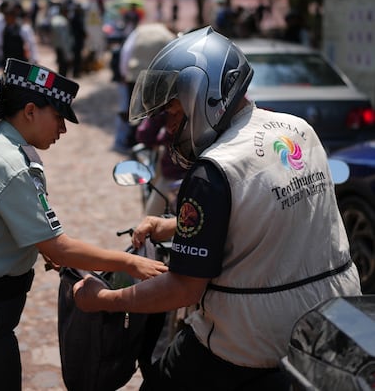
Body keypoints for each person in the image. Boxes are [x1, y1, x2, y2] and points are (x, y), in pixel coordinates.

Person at [74, 26, 361, 390]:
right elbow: (262, 212)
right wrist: (173, 226)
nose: (169, 124)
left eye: (173, 110)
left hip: (252, 340)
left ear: (204, 93)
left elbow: (184, 289)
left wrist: (105, 300)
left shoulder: (213, 170)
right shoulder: (297, 129)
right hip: (330, 318)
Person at [0, 58, 166, 391]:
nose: (63, 130)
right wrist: (130, 261)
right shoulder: (12, 166)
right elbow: (59, 247)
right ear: (30, 111)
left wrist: (38, 246)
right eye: (58, 117)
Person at [113, 22, 175, 154]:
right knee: (151, 111)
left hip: (134, 75)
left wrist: (124, 73)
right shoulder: (167, 35)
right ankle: (145, 141)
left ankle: (132, 140)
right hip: (156, 77)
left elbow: (126, 52)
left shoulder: (138, 32)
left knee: (134, 110)